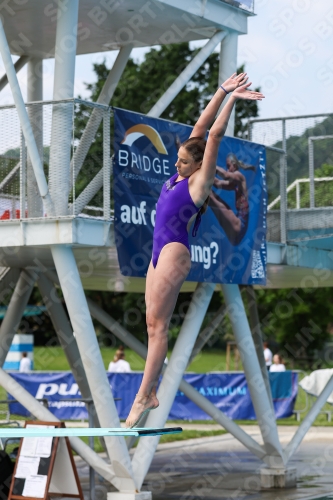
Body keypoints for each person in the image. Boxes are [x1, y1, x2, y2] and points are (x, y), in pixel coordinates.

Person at [125, 72, 264, 428]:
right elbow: (203, 125)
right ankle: (149, 392)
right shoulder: (183, 168)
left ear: (198, 166)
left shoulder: (199, 183)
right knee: (150, 322)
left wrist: (234, 100)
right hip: (159, 253)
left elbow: (214, 134)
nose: (177, 164)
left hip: (174, 252)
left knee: (159, 327)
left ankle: (144, 397)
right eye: (179, 159)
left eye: (184, 162)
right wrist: (222, 90)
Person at [208, 154, 255, 245]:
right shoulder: (234, 184)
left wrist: (208, 164)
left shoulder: (240, 176)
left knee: (210, 196)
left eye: (229, 166)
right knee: (209, 197)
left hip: (240, 225)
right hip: (235, 234)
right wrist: (203, 171)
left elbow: (225, 175)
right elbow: (217, 183)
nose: (227, 169)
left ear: (235, 165)